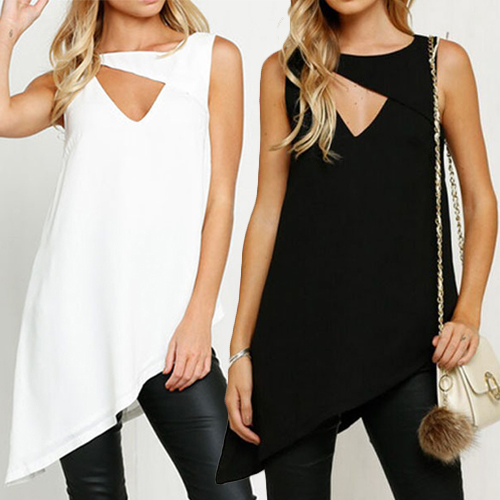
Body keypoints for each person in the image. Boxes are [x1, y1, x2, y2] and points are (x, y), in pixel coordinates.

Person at [216, 1, 498, 499]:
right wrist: (241, 349)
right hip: (296, 344)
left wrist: (468, 312)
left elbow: (480, 200)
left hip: (412, 343)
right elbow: (266, 213)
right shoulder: (284, 72)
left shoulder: (442, 64)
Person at [1, 0, 255, 498]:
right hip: (75, 325)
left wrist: (199, 317)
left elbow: (222, 198)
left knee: (227, 490)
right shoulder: (72, 78)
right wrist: (7, 30)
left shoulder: (213, 58)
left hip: (172, 322)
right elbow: (5, 117)